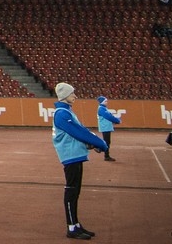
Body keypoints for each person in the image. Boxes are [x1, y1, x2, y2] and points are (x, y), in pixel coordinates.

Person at [51, 82, 109, 239]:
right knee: (71, 191)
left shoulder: (66, 112)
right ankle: (71, 227)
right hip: (70, 156)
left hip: (75, 154)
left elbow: (79, 132)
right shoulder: (62, 113)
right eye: (72, 94)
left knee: (75, 191)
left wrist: (90, 143)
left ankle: (75, 224)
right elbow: (78, 132)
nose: (75, 96)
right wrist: (100, 143)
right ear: (64, 96)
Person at [96, 96, 120, 161]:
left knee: (107, 141)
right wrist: (116, 121)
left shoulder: (103, 108)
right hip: (105, 127)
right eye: (105, 101)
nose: (107, 102)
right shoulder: (102, 108)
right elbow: (108, 116)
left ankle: (103, 152)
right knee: (107, 141)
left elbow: (109, 116)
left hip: (106, 126)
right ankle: (104, 153)